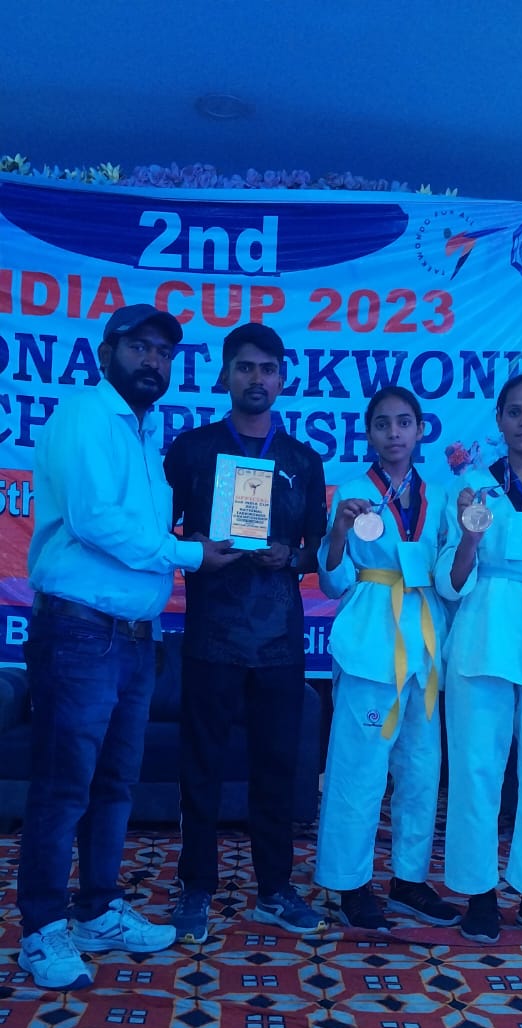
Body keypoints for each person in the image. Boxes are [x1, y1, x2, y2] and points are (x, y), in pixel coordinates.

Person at [18, 303, 237, 990]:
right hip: (81, 632)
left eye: (164, 352)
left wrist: (196, 541)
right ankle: (41, 929)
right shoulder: (84, 415)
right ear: (105, 352)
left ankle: (98, 910)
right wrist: (189, 553)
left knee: (115, 785)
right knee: (64, 787)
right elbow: (94, 521)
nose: (153, 361)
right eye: (139, 347)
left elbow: (140, 530)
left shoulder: (145, 433)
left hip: (138, 638)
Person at [164, 321, 328, 942]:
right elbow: (160, 531)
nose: (256, 378)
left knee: (276, 767)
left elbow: (317, 553)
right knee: (200, 766)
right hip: (211, 637)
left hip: (280, 643)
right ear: (223, 375)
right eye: (245, 366)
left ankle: (275, 890)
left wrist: (289, 556)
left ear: (283, 379)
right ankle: (195, 888)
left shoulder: (303, 460)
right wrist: (194, 546)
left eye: (268, 368)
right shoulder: (191, 449)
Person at [436, 373, 522, 944]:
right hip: (484, 634)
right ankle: (479, 895)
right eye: (514, 411)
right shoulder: (472, 487)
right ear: (498, 420)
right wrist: (470, 535)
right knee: (475, 768)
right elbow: (449, 581)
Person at [314, 387, 460, 931]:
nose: (393, 433)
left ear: (421, 429)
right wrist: (337, 531)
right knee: (359, 768)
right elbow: (333, 582)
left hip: (424, 643)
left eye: (403, 422)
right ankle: (348, 882)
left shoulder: (440, 496)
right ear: (369, 433)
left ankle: (409, 880)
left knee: (421, 769)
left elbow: (448, 574)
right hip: (371, 641)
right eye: (382, 424)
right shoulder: (352, 493)